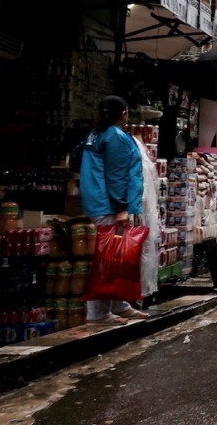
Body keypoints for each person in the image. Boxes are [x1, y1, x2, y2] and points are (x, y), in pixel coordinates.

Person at [79, 95, 149, 325]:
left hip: (99, 200)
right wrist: (121, 207)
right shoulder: (115, 137)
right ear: (124, 114)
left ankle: (119, 305)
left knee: (115, 256)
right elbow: (116, 175)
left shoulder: (97, 133)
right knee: (107, 259)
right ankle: (98, 313)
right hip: (107, 204)